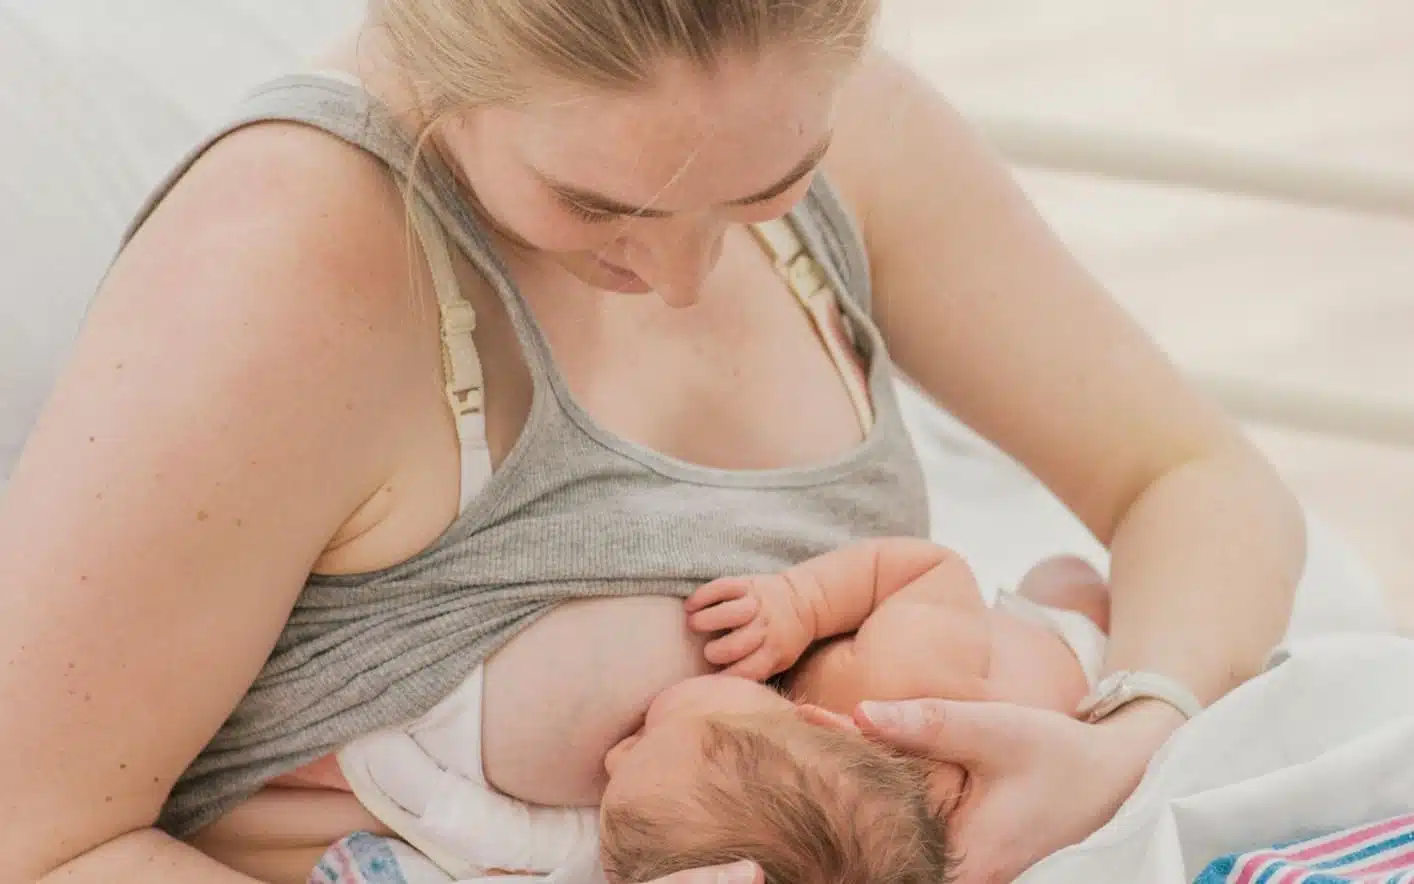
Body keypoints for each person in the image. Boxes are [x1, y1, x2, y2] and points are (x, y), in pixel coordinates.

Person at [0, 0, 1306, 881]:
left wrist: (1125, 739)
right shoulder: (291, 256)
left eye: (765, 190)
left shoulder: (852, 123)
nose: (684, 278)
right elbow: (33, 841)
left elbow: (1193, 479)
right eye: (594, 205)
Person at [597, 541, 1109, 882]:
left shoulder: (891, 840)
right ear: (816, 720)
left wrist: (806, 601)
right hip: (1075, 657)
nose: (611, 757)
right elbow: (934, 570)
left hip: (1042, 695)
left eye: (642, 736)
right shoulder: (893, 680)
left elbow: (936, 568)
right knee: (1067, 578)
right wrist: (801, 604)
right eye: (643, 738)